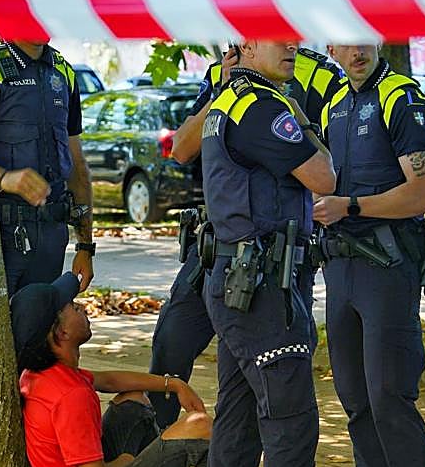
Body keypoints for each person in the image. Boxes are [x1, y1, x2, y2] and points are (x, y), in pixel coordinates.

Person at [198, 40, 372, 467]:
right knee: (290, 415)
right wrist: (297, 109)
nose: (294, 47)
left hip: (238, 282)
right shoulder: (264, 107)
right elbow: (325, 176)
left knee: (239, 410)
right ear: (245, 44)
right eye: (279, 36)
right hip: (263, 286)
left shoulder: (228, 100)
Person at [147, 46, 343, 430]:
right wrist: (226, 89)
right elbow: (182, 150)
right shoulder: (229, 70)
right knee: (171, 346)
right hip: (216, 249)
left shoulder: (317, 75)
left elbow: (330, 166)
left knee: (260, 387)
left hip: (274, 257)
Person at [312, 42, 425, 467]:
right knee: (355, 397)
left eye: (362, 36)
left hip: (387, 267)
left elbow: (424, 194)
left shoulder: (401, 98)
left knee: (390, 395)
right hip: (342, 269)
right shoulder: (335, 104)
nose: (354, 50)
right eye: (342, 41)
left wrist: (351, 205)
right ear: (329, 48)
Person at [12, 272, 211, 467]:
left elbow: (111, 380)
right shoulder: (70, 396)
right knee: (199, 426)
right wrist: (128, 460)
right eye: (72, 306)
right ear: (62, 332)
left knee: (132, 400)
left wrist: (173, 384)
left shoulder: (46, 374)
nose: (81, 307)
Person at [0, 39, 95, 295]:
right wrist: (4, 177)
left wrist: (86, 247)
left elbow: (77, 168)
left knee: (39, 327)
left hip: (52, 235)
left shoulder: (63, 72)